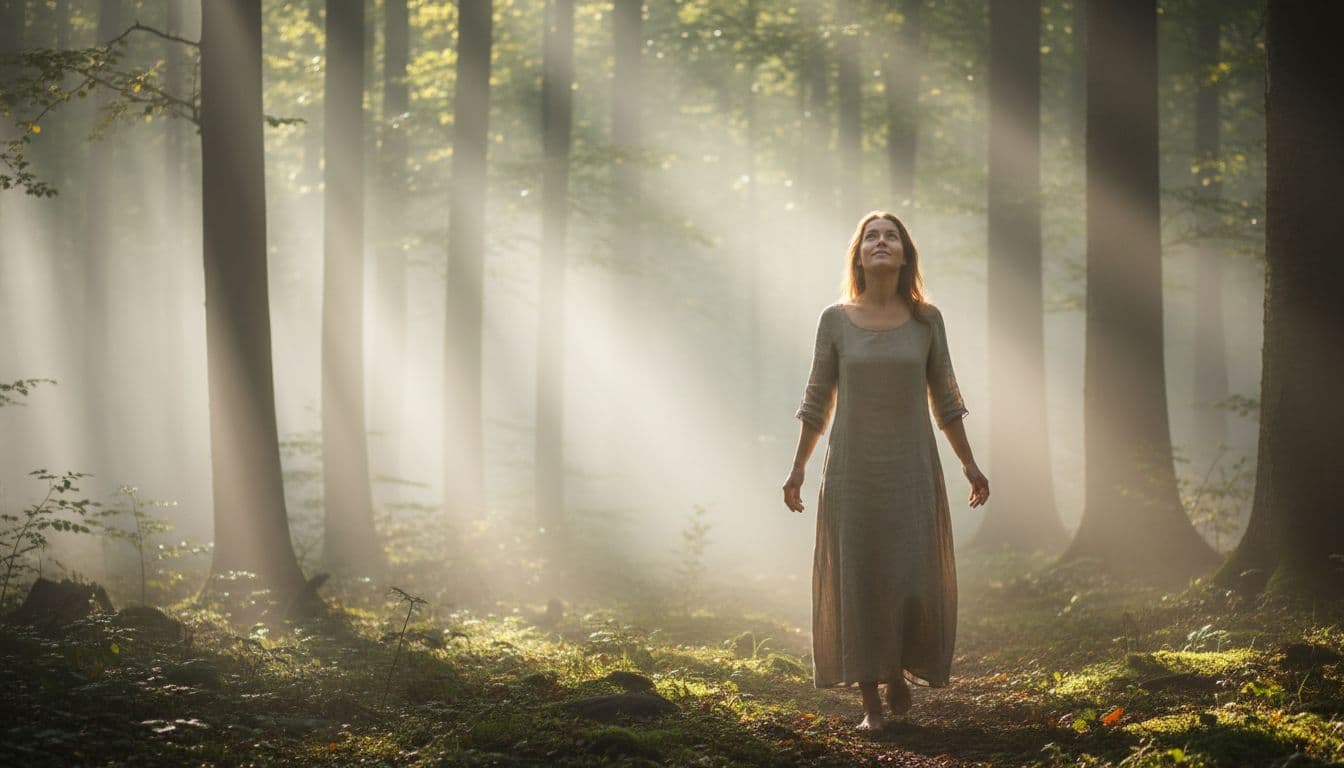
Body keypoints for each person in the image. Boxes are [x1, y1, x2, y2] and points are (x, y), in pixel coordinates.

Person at [782, 211, 989, 731]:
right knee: (859, 575)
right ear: (858, 254)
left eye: (890, 236)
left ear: (904, 254)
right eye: (871, 236)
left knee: (911, 573)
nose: (880, 242)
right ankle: (870, 701)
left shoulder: (927, 320)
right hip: (852, 471)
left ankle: (897, 665)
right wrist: (798, 469)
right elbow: (815, 400)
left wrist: (969, 464)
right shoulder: (834, 319)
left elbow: (946, 398)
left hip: (912, 469)